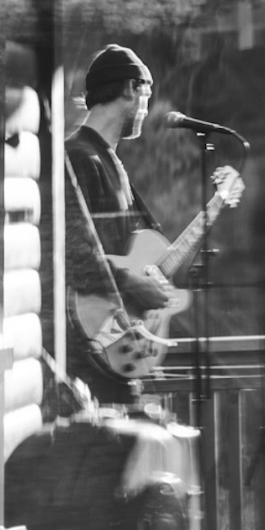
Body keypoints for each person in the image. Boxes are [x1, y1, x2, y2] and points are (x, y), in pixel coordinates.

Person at [61, 44, 177, 414]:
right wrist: (131, 282)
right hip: (87, 350)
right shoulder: (78, 158)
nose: (146, 107)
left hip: (115, 345)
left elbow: (124, 252)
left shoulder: (108, 161)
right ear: (130, 88)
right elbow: (73, 255)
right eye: (146, 94)